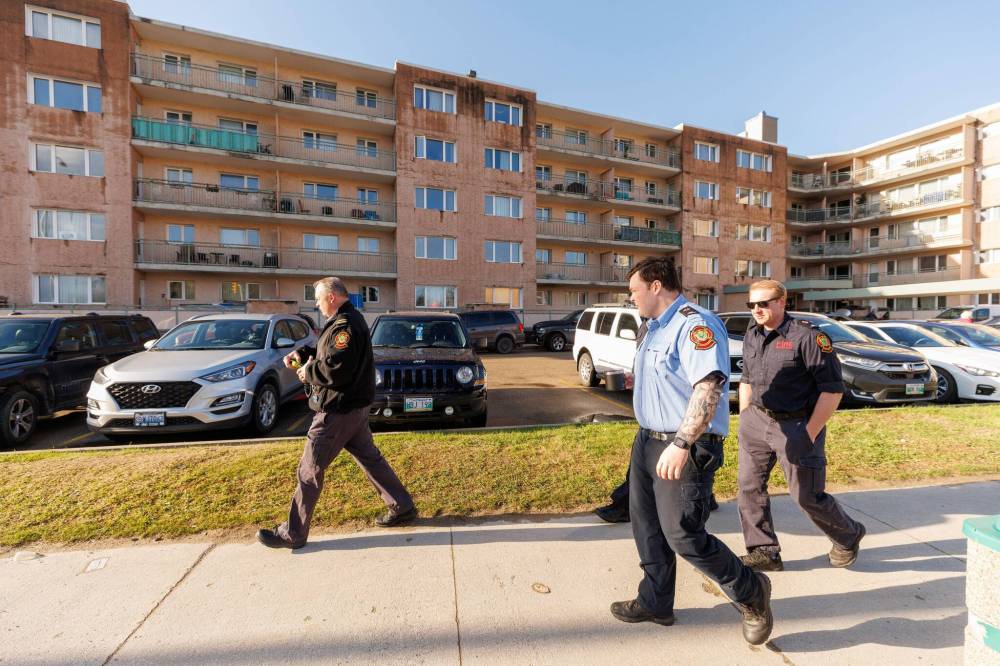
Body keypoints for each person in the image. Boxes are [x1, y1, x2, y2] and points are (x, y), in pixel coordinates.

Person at [610, 257, 773, 646]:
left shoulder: (694, 324)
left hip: (683, 445)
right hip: (648, 441)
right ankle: (656, 602)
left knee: (682, 533)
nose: (631, 298)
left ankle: (751, 591)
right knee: (647, 527)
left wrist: (682, 443)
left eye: (634, 290)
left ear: (655, 286)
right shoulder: (652, 329)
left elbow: (708, 388)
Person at [257, 277, 416, 549]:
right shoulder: (344, 320)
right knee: (370, 459)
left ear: (331, 297)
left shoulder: (346, 325)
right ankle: (402, 507)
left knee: (309, 469)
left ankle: (292, 533)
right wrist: (303, 352)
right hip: (353, 408)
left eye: (318, 299)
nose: (317, 305)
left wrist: (308, 371)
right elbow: (328, 352)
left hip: (338, 410)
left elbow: (336, 369)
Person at [737, 279, 866, 572]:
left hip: (796, 425)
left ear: (782, 302)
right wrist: (746, 416)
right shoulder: (752, 335)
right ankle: (763, 551)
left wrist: (809, 433)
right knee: (749, 488)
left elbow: (832, 390)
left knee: (806, 495)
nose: (757, 309)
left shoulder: (808, 337)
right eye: (752, 304)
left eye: (763, 303)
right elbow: (746, 378)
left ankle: (848, 534)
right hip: (756, 421)